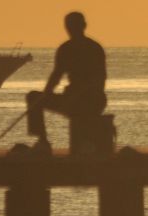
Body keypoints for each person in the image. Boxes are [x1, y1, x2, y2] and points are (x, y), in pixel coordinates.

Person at [25, 11, 107, 153]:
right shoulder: (65, 49)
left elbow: (100, 79)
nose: (71, 30)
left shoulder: (94, 48)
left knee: (83, 103)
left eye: (74, 26)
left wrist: (83, 93)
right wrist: (46, 93)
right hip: (70, 99)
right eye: (69, 26)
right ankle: (43, 141)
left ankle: (86, 142)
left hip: (93, 99)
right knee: (33, 97)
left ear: (83, 26)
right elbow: (56, 76)